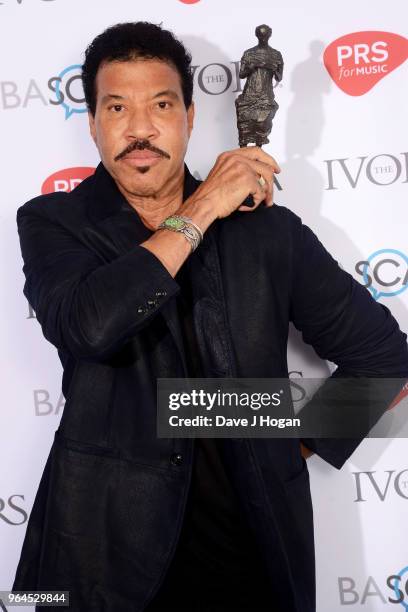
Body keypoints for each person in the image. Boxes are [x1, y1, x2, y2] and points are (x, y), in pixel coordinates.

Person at [12, 21, 408, 612]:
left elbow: (384, 360)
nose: (140, 129)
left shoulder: (269, 233)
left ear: (191, 117)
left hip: (251, 552)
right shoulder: (52, 221)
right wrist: (201, 209)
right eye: (116, 107)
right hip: (98, 552)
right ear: (93, 122)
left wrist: (282, 441)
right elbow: (88, 326)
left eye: (162, 105)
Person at [235, 24, 284, 147]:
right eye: (261, 35)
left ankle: (258, 154)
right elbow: (241, 74)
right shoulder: (249, 53)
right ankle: (243, 154)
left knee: (262, 126)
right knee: (244, 125)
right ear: (257, 35)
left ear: (269, 35)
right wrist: (251, 67)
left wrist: (273, 69)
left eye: (265, 35)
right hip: (249, 95)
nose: (263, 38)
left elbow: (279, 77)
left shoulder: (276, 55)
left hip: (265, 96)